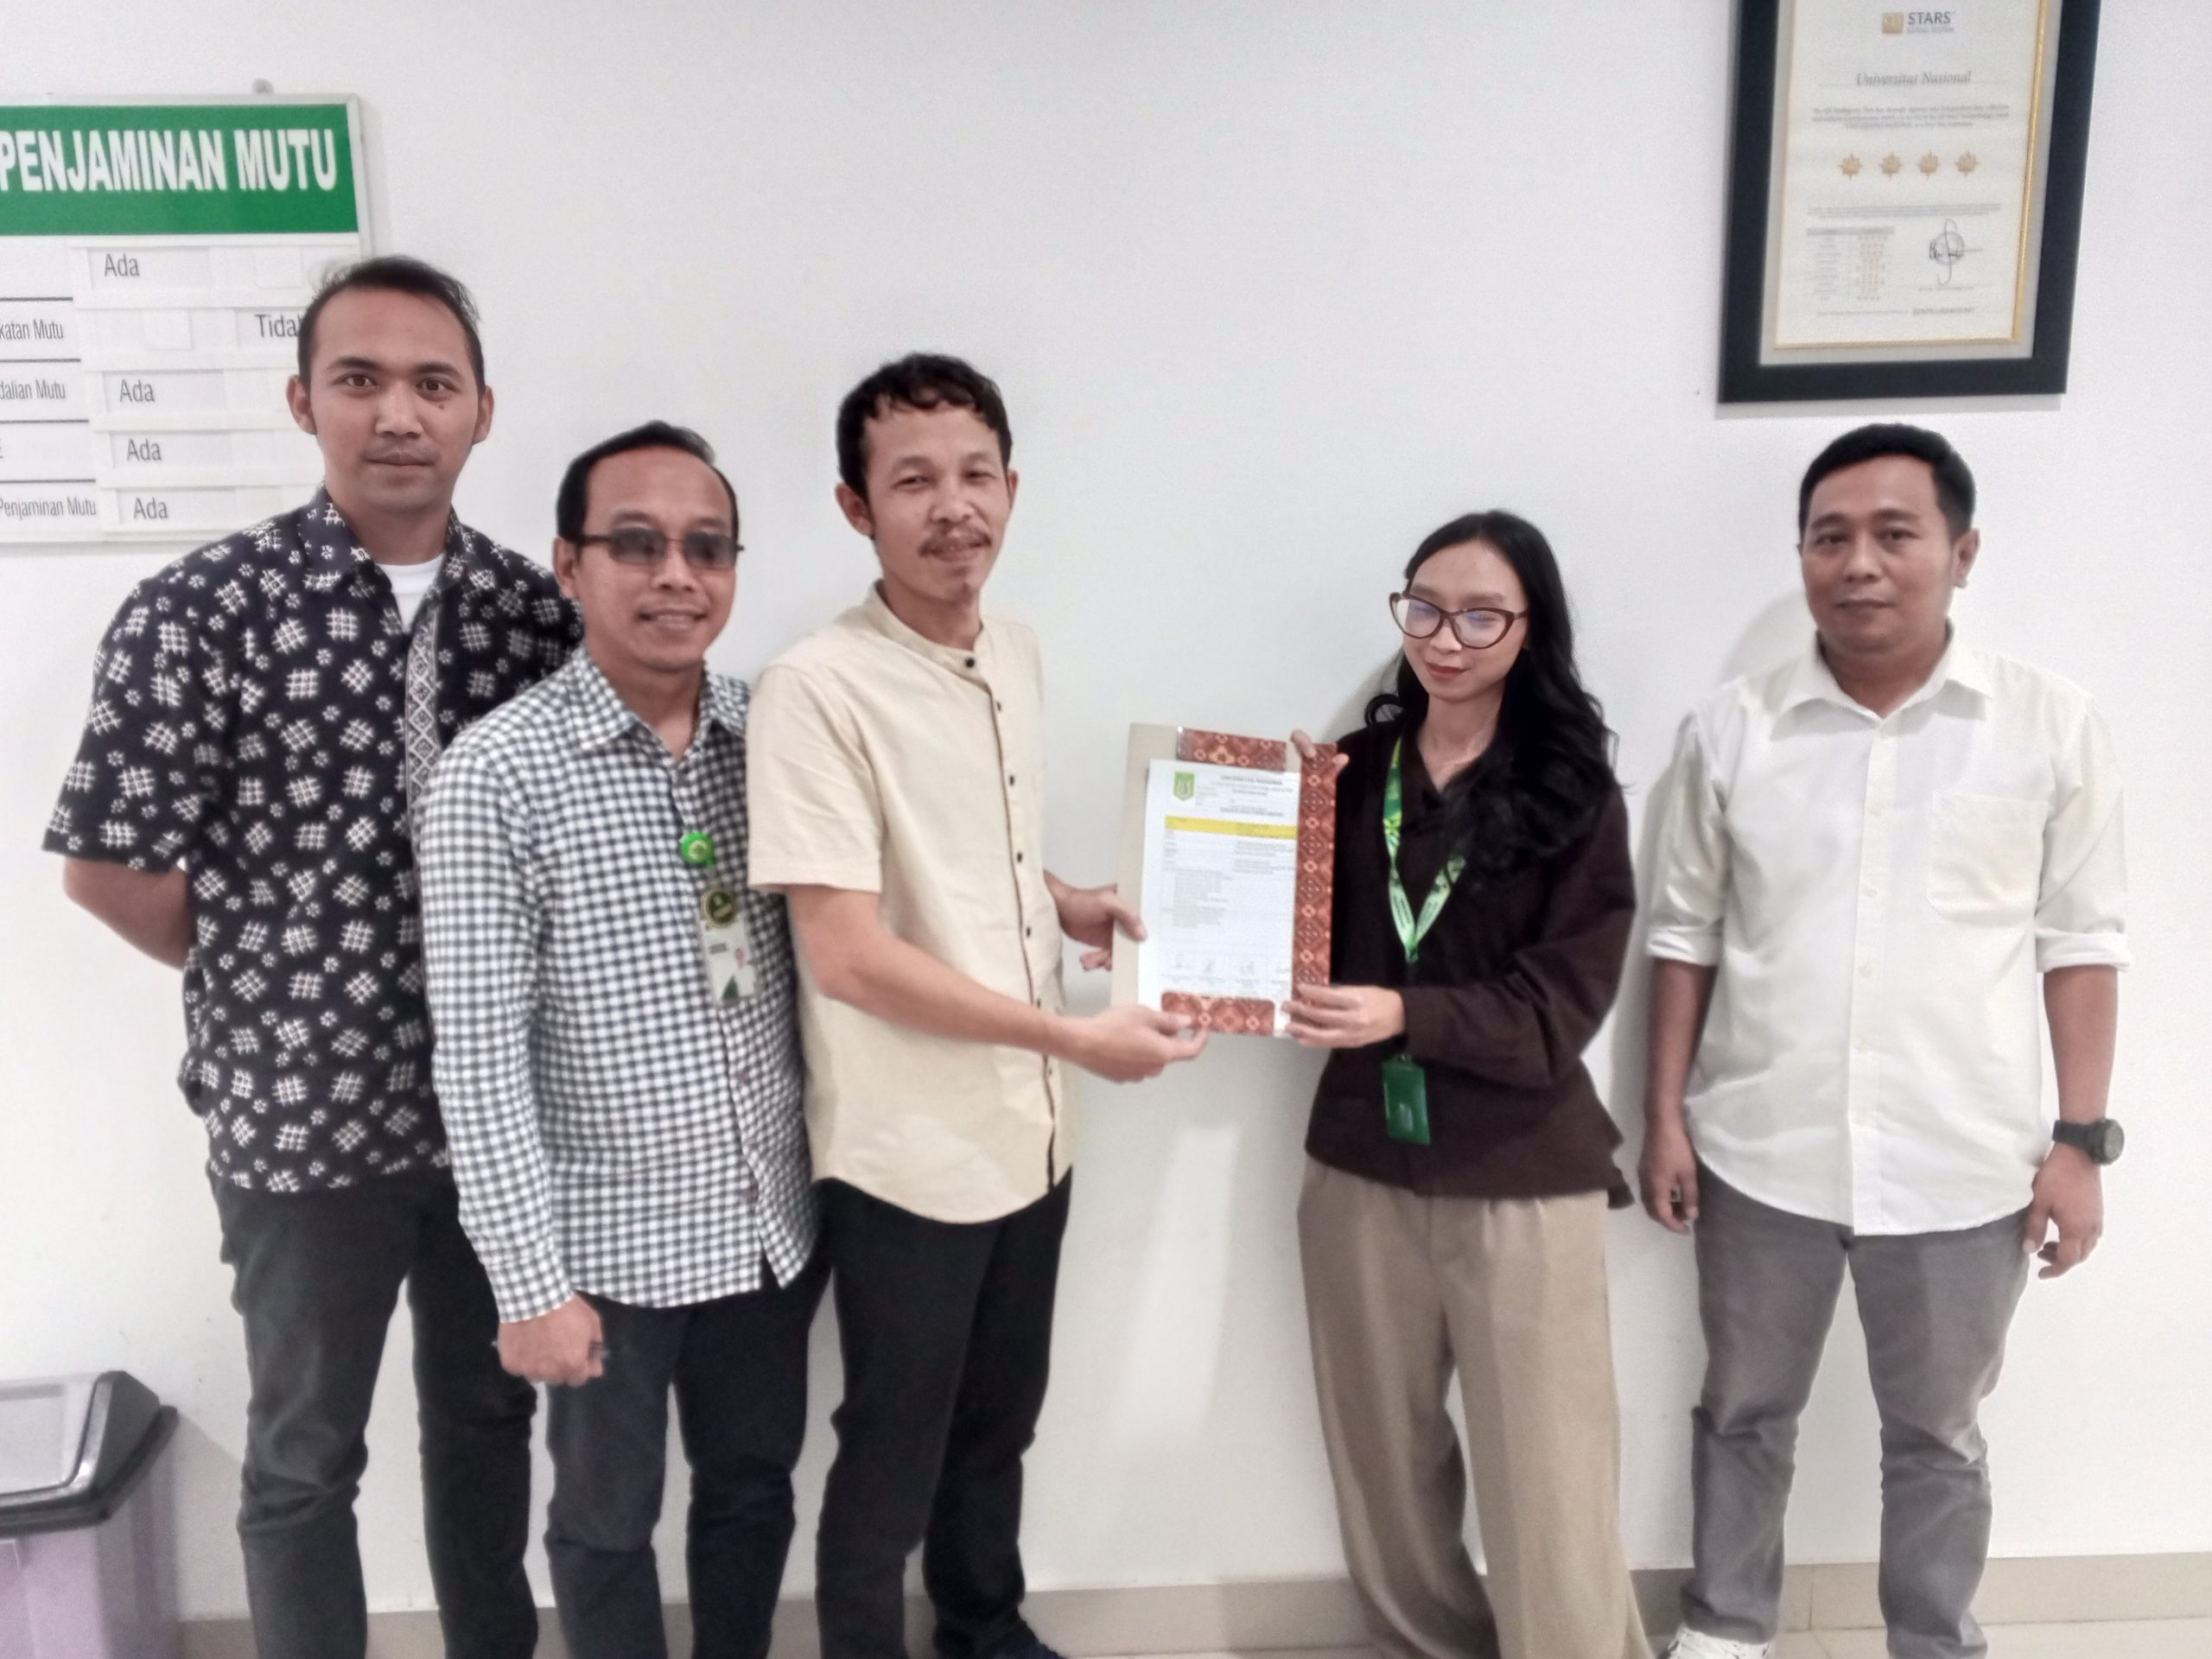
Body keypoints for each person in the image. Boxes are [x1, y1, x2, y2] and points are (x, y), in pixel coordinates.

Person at [45, 256, 578, 1659]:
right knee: (303, 1456)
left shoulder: (534, 618)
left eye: (433, 384)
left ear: (481, 413)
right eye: (361, 380)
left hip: (497, 1120)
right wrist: (272, 971)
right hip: (299, 1122)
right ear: (304, 402)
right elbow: (108, 864)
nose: (398, 413)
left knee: (488, 1421)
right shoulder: (201, 610)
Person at [745, 353, 1207, 1659]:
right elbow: (846, 950)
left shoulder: (1015, 650)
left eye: (975, 474)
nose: (953, 507)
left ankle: (983, 1629)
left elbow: (964, 857)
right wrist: (1070, 1033)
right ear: (856, 507)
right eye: (913, 482)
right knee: (892, 1447)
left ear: (1012, 487)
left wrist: (1063, 902)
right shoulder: (815, 686)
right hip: (908, 1154)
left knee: (1001, 1423)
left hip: (1034, 1134)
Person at [1641, 423, 2127, 1659]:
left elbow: (2082, 943)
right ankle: (1725, 1629)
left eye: (1894, 533)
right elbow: (1684, 936)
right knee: (1742, 1411)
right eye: (1830, 537)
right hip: (1762, 1149)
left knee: (1939, 1437)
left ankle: (1932, 1639)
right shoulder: (1731, 730)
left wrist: (2080, 1143)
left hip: (1963, 1161)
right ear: (1803, 555)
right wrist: (1663, 1120)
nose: (1858, 562)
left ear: (1962, 553)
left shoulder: (2049, 726)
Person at [418, 422, 820, 1659]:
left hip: (767, 1224)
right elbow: (477, 1060)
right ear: (570, 565)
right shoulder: (497, 773)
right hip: (605, 1252)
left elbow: (907, 880)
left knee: (752, 1494)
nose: (676, 577)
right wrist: (529, 1284)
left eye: (708, 548)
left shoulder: (773, 736)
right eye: (637, 545)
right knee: (603, 1528)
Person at [1287, 512, 1649, 1659]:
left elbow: (1560, 1010)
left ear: (1532, 629)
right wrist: (1257, 842)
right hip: (1361, 1165)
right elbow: (1285, 950)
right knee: (1382, 1470)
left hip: (1520, 1176)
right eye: (1426, 609)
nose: (1446, 639)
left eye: (1482, 616)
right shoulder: (1351, 779)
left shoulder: (1574, 794)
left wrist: (1409, 1015)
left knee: (1550, 1478)